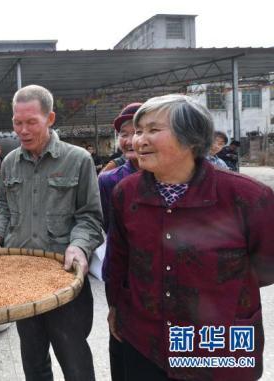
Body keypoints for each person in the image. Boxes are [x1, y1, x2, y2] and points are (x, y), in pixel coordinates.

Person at [106, 94, 274, 381]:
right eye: (138, 131)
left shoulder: (248, 197)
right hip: (147, 340)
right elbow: (119, 260)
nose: (138, 140)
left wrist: (214, 288)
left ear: (191, 139)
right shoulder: (126, 193)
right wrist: (115, 307)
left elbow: (267, 266)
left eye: (153, 130)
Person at [0, 85, 104, 381]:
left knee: (74, 360)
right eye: (17, 122)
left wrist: (79, 247)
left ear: (50, 118)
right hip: (22, 278)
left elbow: (90, 217)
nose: (23, 130)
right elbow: (4, 211)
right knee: (33, 360)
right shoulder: (9, 163)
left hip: (63, 276)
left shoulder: (78, 160)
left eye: (31, 121)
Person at [97, 102, 142, 381]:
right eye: (123, 133)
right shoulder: (109, 181)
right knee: (123, 347)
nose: (129, 139)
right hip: (124, 278)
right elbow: (108, 230)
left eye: (136, 130)